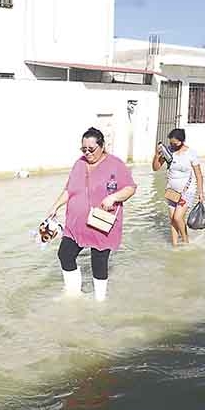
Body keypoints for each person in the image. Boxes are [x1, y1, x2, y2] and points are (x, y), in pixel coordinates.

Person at [46, 127, 136, 301]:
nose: (87, 153)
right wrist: (55, 206)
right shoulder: (79, 163)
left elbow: (130, 188)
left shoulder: (116, 164)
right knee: (65, 254)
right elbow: (69, 190)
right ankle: (73, 294)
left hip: (101, 223)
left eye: (91, 149)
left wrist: (114, 197)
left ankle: (99, 301)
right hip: (75, 224)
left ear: (102, 146)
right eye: (84, 149)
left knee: (98, 262)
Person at [152, 128, 205, 246]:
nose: (172, 145)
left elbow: (199, 175)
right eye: (170, 143)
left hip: (187, 191)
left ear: (182, 141)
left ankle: (186, 241)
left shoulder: (191, 153)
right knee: (172, 219)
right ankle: (175, 245)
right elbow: (155, 168)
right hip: (171, 190)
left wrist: (201, 193)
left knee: (177, 217)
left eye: (174, 143)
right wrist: (157, 155)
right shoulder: (168, 152)